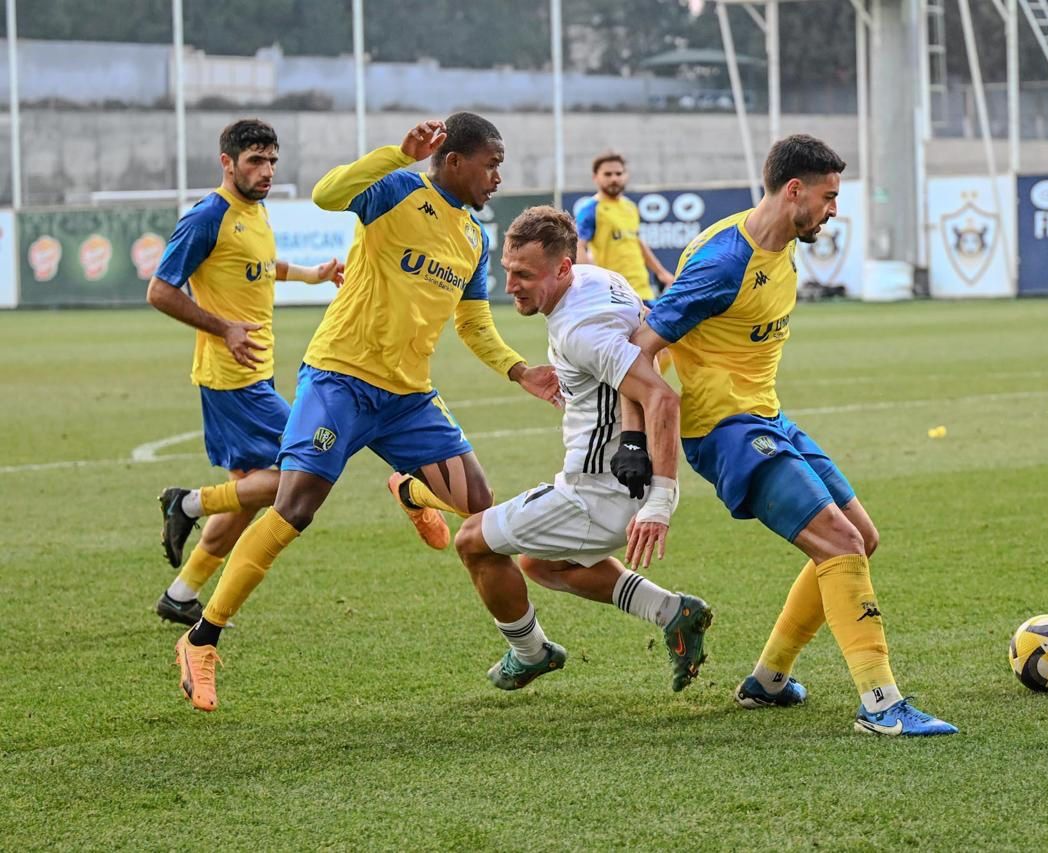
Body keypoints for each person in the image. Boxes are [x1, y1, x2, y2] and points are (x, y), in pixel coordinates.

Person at [171, 113, 561, 712]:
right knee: (294, 508)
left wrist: (518, 369)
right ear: (455, 160)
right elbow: (328, 194)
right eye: (492, 164)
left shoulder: (473, 237)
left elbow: (473, 322)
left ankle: (411, 492)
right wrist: (398, 153)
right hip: (340, 379)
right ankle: (201, 639)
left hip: (408, 398)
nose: (498, 177)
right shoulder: (399, 189)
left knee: (480, 509)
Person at [628, 134, 957, 737]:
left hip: (768, 417)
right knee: (839, 542)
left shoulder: (779, 243)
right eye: (829, 198)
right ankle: (881, 704)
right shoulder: (724, 261)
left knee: (861, 538)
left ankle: (769, 680)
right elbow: (638, 350)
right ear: (794, 191)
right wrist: (637, 443)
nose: (834, 210)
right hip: (724, 429)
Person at [432, 205, 712, 692]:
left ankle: (530, 653)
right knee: (539, 562)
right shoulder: (600, 280)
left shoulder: (581, 331)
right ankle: (672, 612)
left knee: (472, 541)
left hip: (599, 492)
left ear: (563, 267)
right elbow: (648, 341)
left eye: (525, 275)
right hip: (609, 478)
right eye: (508, 271)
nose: (511, 285)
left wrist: (661, 501)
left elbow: (662, 398)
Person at [146, 118, 344, 627]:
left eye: (272, 160)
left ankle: (181, 594)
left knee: (249, 495)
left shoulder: (255, 211)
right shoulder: (207, 217)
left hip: (256, 373)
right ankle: (189, 503)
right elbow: (160, 290)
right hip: (231, 379)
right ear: (227, 163)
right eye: (256, 160)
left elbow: (261, 266)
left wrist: (312, 275)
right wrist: (224, 329)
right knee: (306, 467)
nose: (267, 170)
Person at [575, 151, 675, 305]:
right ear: (595, 177)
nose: (614, 178)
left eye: (618, 173)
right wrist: (592, 282)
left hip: (642, 289)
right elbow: (579, 246)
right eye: (608, 174)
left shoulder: (630, 207)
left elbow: (637, 242)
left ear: (625, 175)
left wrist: (661, 273)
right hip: (614, 294)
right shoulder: (591, 209)